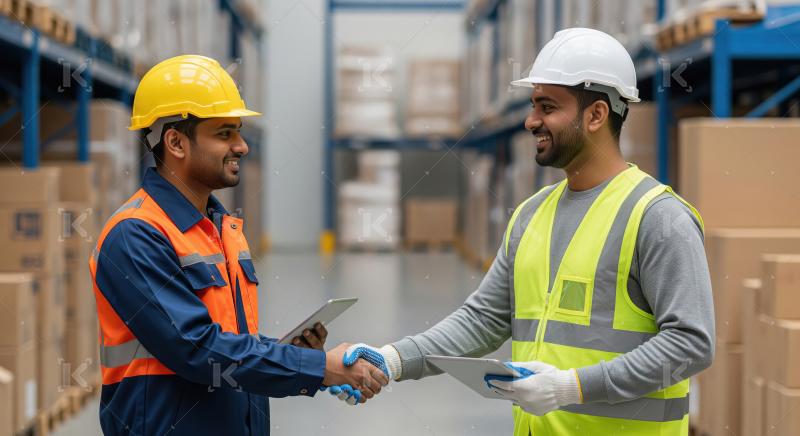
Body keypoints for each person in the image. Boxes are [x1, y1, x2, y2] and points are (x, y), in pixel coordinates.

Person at [334, 28, 714, 436]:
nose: (532, 121)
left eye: (547, 107)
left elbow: (689, 345)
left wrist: (571, 387)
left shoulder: (658, 218)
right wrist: (390, 360)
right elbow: (482, 321)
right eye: (534, 106)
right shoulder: (532, 215)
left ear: (596, 115)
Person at [89, 55, 388, 435]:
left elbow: (230, 343)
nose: (243, 146)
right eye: (225, 133)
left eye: (239, 131)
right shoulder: (135, 236)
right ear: (176, 142)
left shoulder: (221, 228)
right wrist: (318, 369)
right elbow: (198, 349)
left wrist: (295, 357)